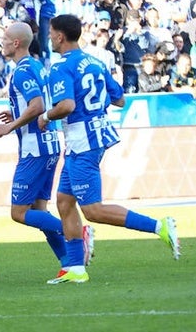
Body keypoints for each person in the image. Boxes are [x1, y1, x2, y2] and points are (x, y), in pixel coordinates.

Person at [37, 14, 181, 285]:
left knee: (92, 210)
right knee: (65, 202)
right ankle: (76, 269)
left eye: (51, 33)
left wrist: (45, 116)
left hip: (83, 142)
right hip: (94, 136)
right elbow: (120, 100)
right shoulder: (95, 62)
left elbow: (66, 105)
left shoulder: (60, 67)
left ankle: (160, 226)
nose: (49, 38)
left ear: (59, 36)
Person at [0, 22, 94, 276]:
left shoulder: (22, 71)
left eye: (5, 39)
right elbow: (37, 102)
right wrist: (16, 113)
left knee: (19, 212)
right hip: (48, 145)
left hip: (34, 149)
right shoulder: (37, 66)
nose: (1, 43)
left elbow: (37, 106)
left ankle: (74, 230)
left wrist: (12, 126)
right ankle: (68, 263)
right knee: (39, 210)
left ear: (16, 43)